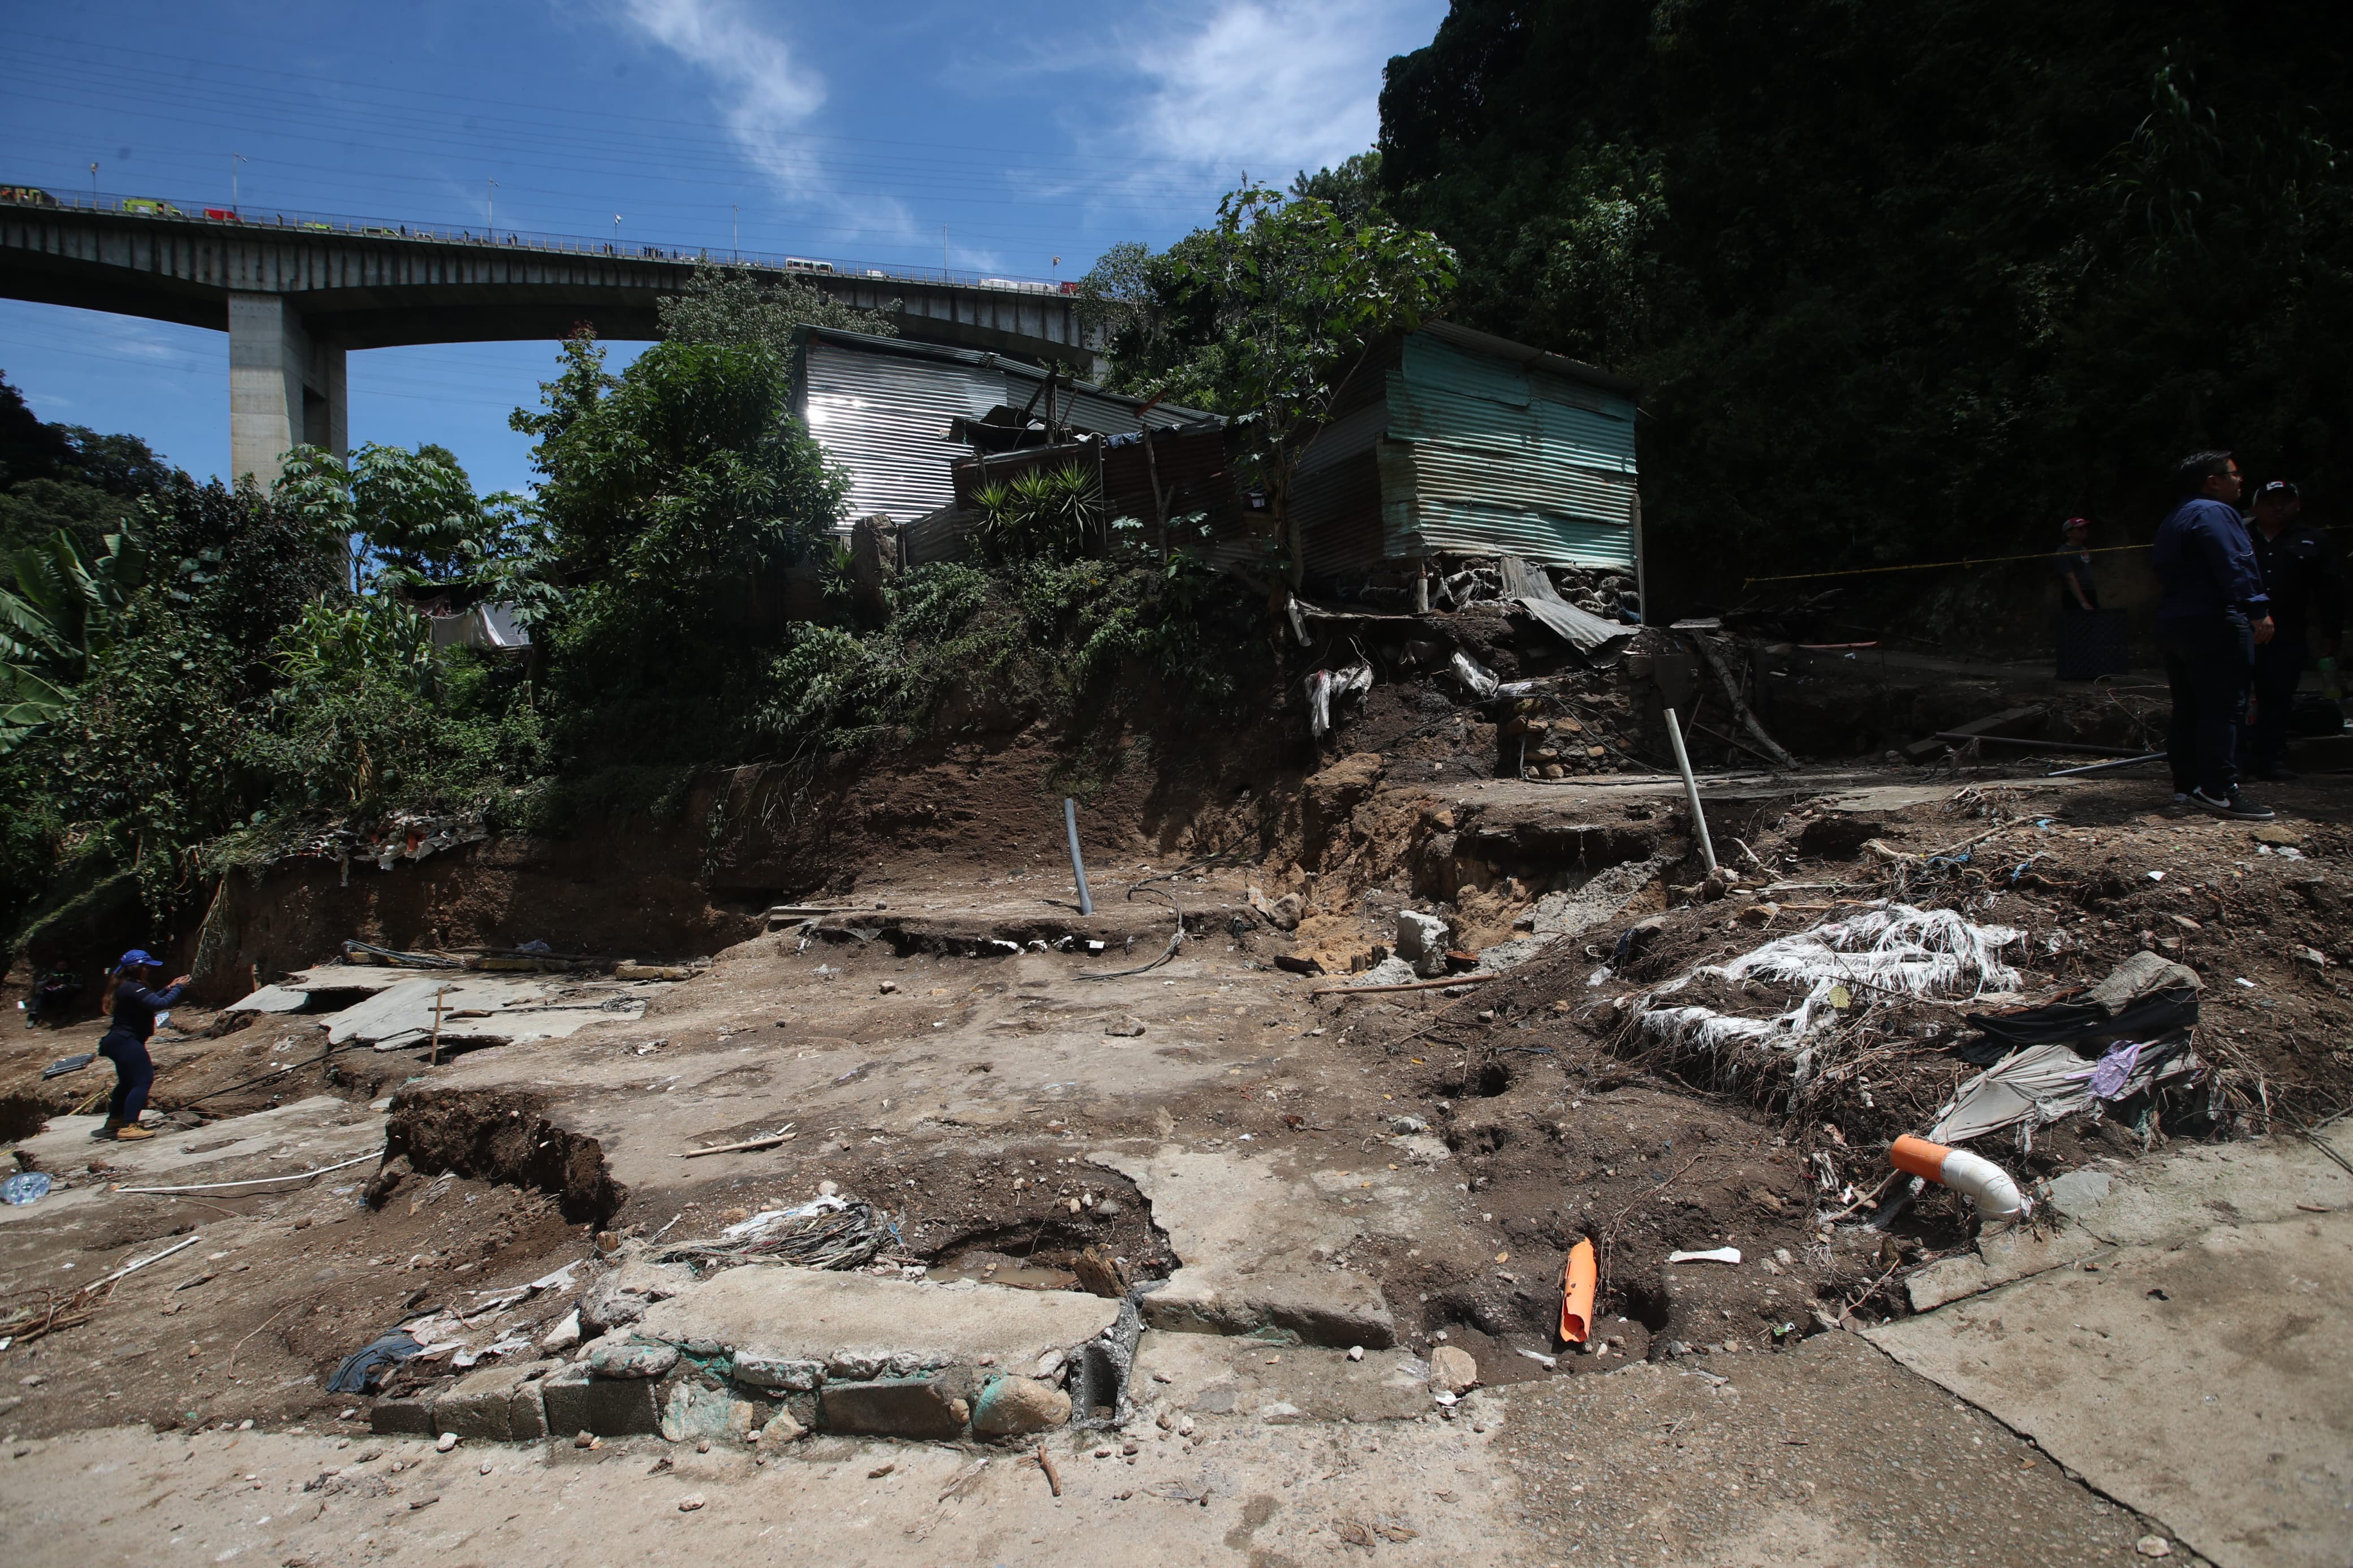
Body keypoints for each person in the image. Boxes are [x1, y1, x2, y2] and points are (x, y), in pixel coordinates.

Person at [2151, 450, 2274, 820]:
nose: (2240, 481)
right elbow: (2234, 562)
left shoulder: (2174, 518)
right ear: (2212, 481)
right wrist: (2257, 610)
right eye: (2234, 474)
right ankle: (2219, 788)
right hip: (2213, 620)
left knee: (2188, 707)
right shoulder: (2215, 513)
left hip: (2175, 623)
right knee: (2223, 707)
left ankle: (2186, 786)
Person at [2241, 480, 2345, 780]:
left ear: (2298, 505)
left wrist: (2330, 634)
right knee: (2234, 697)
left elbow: (2330, 592)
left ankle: (2271, 759)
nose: (2278, 507)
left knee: (2278, 697)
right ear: (2255, 506)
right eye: (2271, 501)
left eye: (2286, 501)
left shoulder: (2312, 540)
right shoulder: (2238, 537)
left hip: (2288, 632)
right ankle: (2235, 760)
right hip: (2240, 629)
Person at [94, 949, 187, 1141]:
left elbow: (149, 1001)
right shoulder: (132, 988)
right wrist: (179, 989)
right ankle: (129, 1126)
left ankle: (115, 1119)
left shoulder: (127, 987)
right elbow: (159, 1005)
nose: (148, 970)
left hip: (119, 1041)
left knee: (127, 1082)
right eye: (146, 967)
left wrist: (169, 988)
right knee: (143, 1081)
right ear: (138, 968)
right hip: (126, 1041)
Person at [2055, 516, 2099, 612]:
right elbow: (2070, 578)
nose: (2084, 531)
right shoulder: (2063, 552)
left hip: (2090, 591)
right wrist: (2083, 602)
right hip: (2074, 595)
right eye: (2080, 529)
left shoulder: (2084, 549)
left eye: (2085, 528)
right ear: (2068, 533)